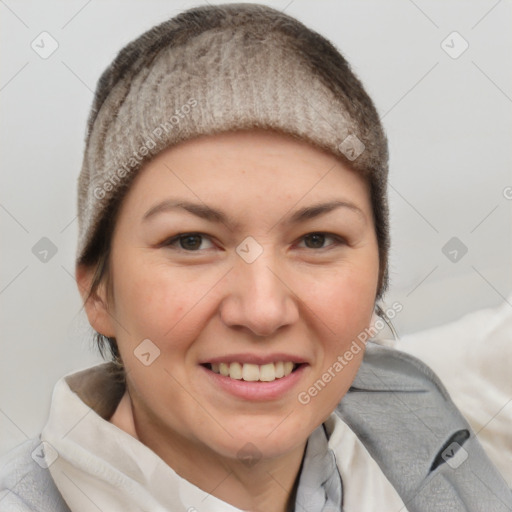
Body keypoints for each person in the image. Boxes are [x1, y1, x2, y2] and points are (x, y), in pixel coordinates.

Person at [1, 3, 510, 511]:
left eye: (316, 240)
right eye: (192, 242)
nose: (263, 310)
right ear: (98, 290)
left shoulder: (412, 407)